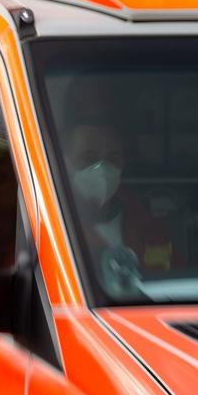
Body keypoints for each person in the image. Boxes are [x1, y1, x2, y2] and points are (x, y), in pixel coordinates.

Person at [62, 100, 181, 278]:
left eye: (112, 158)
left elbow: (176, 280)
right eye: (88, 158)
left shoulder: (150, 228)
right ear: (66, 164)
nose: (102, 169)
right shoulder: (56, 231)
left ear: (123, 163)